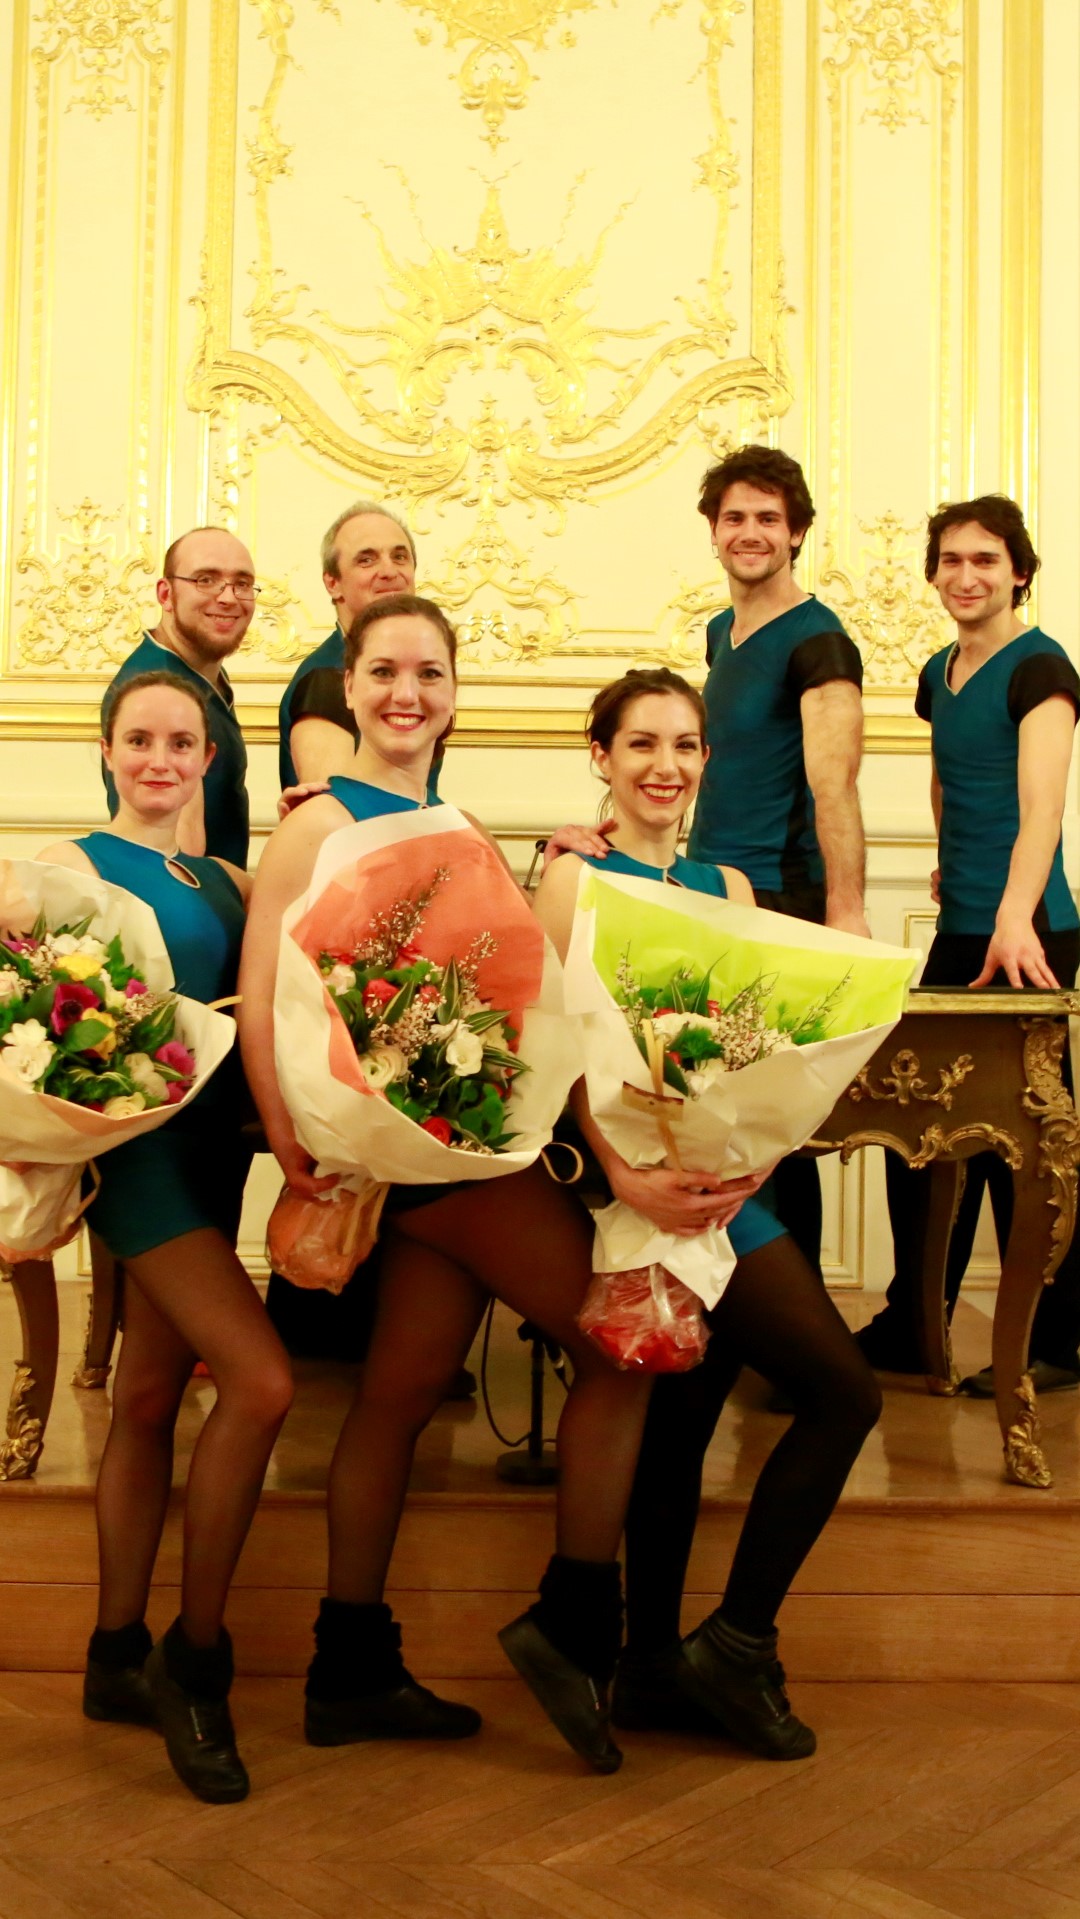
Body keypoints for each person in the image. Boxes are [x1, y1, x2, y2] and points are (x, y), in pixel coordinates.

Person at [240, 592, 653, 1774]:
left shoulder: (457, 819)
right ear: (351, 685)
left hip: (450, 1144)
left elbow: (495, 981)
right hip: (405, 1160)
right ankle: (575, 1623)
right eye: (383, 670)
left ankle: (348, 1663)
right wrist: (287, 1136)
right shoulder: (314, 821)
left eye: (427, 671)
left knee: (399, 1393)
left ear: (455, 692)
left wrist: (565, 865)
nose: (404, 691)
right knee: (623, 1345)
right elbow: (270, 987)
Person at [532, 667, 882, 1759]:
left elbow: (762, 1044)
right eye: (640, 743)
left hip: (732, 1194)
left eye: (685, 744)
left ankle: (725, 1643)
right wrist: (623, 1178)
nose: (665, 765)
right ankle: (654, 1664)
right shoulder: (565, 878)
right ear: (601, 756)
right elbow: (551, 1062)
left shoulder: (730, 883)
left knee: (821, 1395)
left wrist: (753, 1148)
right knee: (702, 1421)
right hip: (622, 1190)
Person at [39, 670, 293, 1804]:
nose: (159, 757)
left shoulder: (231, 875)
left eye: (181, 741)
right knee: (263, 1379)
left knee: (147, 1399)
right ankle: (195, 1660)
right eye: (139, 738)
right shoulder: (73, 867)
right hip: (141, 1169)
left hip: (215, 1162)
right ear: (107, 749)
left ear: (207, 757)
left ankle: (112, 1651)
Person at [548, 445, 869, 1272]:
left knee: (771, 1127)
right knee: (690, 1110)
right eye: (735, 517)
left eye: (769, 517)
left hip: (780, 897)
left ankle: (775, 1293)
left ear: (797, 532)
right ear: (714, 532)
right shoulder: (723, 632)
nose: (751, 531)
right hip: (698, 892)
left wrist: (845, 919)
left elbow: (835, 787)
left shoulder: (820, 640)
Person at [855, 496, 1080, 1393]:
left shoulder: (1043, 670)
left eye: (985, 560)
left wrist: (1015, 915)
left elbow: (1042, 809)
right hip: (968, 926)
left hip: (1031, 934)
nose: (966, 576)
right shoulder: (937, 672)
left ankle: (1063, 1336)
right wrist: (953, 869)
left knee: (1029, 1140)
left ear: (1019, 571)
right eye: (950, 560)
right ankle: (917, 1321)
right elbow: (951, 779)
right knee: (921, 1130)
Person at [101, 528, 258, 866]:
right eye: (205, 580)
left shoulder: (200, 673)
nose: (228, 597)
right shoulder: (163, 690)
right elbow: (181, 853)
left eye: (242, 583)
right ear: (166, 594)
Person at [277, 502, 417, 790]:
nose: (389, 570)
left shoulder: (407, 668)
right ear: (333, 584)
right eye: (367, 560)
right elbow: (334, 818)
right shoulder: (325, 682)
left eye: (400, 556)